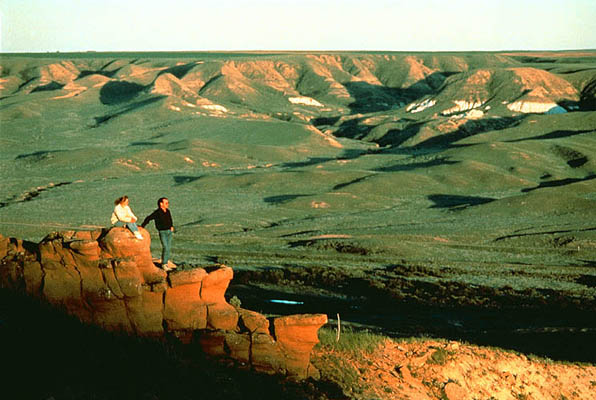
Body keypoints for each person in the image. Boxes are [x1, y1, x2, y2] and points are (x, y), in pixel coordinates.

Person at [141, 197, 175, 269]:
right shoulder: (157, 212)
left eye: (168, 203)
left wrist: (172, 226)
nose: (168, 204)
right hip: (162, 232)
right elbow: (148, 218)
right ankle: (164, 264)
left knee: (168, 248)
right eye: (166, 203)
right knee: (165, 247)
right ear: (161, 204)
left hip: (169, 232)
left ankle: (165, 263)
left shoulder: (168, 211)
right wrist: (142, 226)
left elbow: (170, 219)